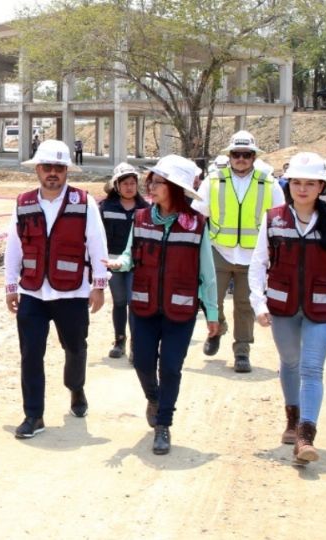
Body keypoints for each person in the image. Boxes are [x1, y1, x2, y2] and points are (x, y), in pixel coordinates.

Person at [104, 155, 219, 455]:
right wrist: (119, 263)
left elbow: (207, 273)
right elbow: (130, 253)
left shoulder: (196, 224)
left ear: (175, 188)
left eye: (157, 182)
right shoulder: (142, 218)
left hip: (180, 309)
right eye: (150, 182)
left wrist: (213, 314)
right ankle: (153, 398)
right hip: (143, 304)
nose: (150, 187)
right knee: (142, 361)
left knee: (170, 366)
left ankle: (163, 424)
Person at [249, 152, 326, 464]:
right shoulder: (273, 219)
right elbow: (258, 265)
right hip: (282, 305)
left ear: (322, 186)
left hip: (321, 308)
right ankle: (292, 420)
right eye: (297, 182)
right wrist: (258, 302)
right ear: (288, 184)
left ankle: (306, 436)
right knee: (290, 363)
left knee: (311, 368)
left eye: (310, 183)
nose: (303, 189)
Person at [5, 139, 109, 439]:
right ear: (37, 169)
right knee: (30, 355)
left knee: (75, 348)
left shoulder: (83, 201)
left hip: (72, 292)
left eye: (59, 168)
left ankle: (76, 388)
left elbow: (97, 243)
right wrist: (11, 286)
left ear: (67, 171)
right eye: (47, 167)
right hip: (33, 292)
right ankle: (33, 415)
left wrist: (99, 285)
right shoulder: (23, 203)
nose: (53, 173)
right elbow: (14, 247)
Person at [193, 130, 285, 373]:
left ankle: (242, 350)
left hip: (253, 255)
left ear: (254, 157)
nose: (241, 159)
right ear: (230, 156)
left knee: (245, 305)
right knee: (209, 298)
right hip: (218, 251)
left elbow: (281, 218)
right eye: (236, 154)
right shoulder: (213, 181)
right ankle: (217, 328)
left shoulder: (268, 182)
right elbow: (198, 214)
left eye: (246, 154)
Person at [100, 162, 150, 361]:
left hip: (137, 264)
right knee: (119, 302)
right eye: (125, 183)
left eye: (132, 183)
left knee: (133, 302)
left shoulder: (145, 208)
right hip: (112, 263)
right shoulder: (104, 207)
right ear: (117, 185)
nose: (129, 187)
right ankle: (119, 340)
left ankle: (135, 345)